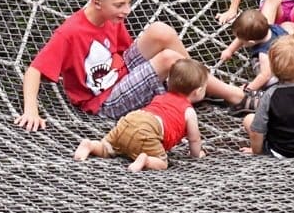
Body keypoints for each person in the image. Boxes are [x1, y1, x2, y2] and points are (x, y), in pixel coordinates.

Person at [14, 0, 246, 131]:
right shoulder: (70, 33)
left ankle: (197, 84)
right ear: (96, 2)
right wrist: (31, 110)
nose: (127, 10)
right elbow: (34, 70)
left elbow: (126, 53)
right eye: (119, 5)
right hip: (105, 101)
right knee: (166, 59)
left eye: (128, 2)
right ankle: (234, 95)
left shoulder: (110, 18)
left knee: (160, 30)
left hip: (121, 74)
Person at [73, 57, 209, 171]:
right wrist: (196, 155)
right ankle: (145, 160)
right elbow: (194, 139)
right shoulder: (188, 111)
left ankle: (90, 145)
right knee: (162, 164)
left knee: (107, 148)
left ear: (168, 82)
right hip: (148, 131)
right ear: (198, 91)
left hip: (130, 119)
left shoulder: (160, 96)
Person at [217, 9, 294, 94]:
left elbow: (265, 76)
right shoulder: (272, 28)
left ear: (251, 42)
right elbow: (240, 38)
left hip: (285, 73)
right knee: (286, 25)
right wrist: (229, 50)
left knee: (269, 79)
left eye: (242, 42)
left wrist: (248, 89)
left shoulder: (264, 53)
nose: (240, 42)